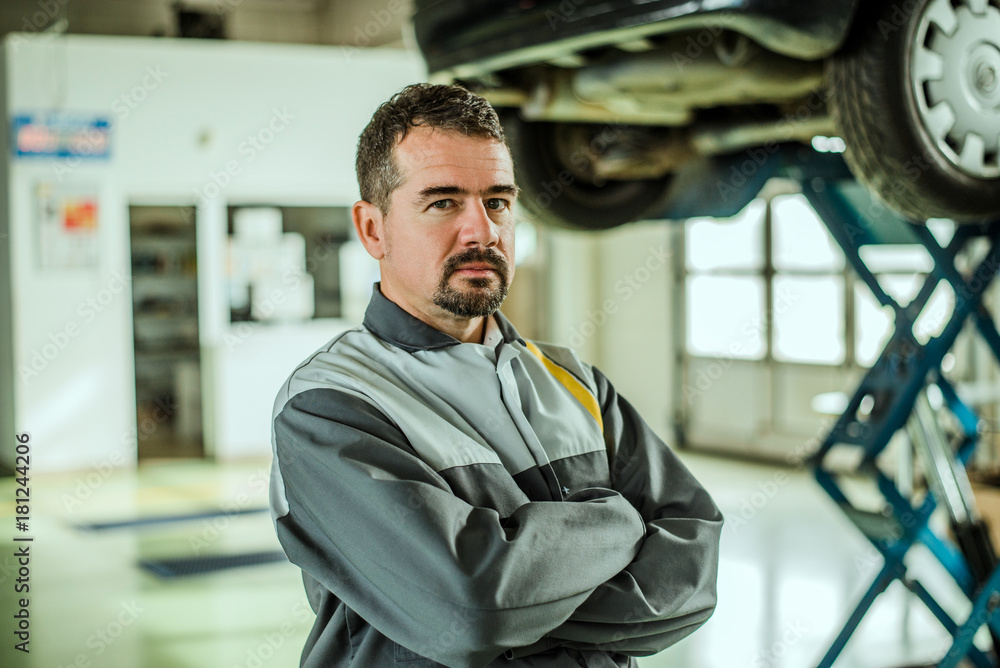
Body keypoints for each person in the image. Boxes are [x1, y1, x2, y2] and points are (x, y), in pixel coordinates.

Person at [269, 83, 723, 668]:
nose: (482, 231)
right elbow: (470, 607)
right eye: (443, 202)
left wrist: (523, 601)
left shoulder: (572, 380)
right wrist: (619, 520)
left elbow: (694, 570)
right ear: (372, 229)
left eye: (499, 201)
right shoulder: (327, 405)